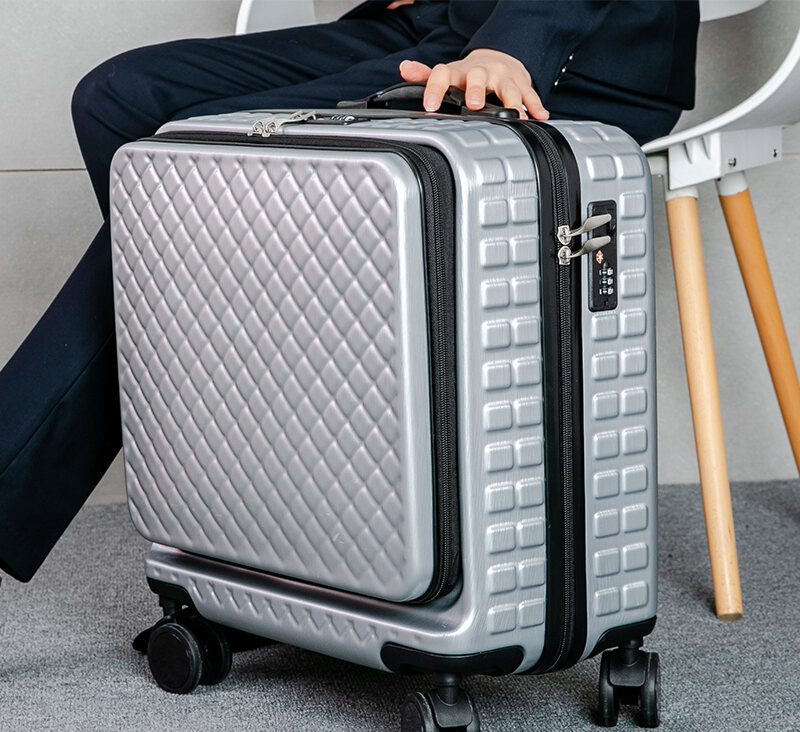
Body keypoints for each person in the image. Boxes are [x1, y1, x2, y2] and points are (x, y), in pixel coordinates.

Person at [0, 0, 700, 585]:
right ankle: (265, 445)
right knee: (120, 97)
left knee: (198, 156)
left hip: (577, 47)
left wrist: (518, 43)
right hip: (439, 21)